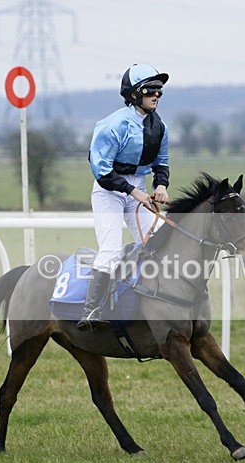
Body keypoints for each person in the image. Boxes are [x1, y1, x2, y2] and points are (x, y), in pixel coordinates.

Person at [77, 63, 171, 330]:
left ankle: (156, 304)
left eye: (159, 91)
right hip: (109, 191)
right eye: (150, 90)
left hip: (138, 188)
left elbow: (161, 162)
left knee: (160, 241)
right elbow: (102, 172)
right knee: (111, 251)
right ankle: (91, 310)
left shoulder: (159, 127)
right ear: (134, 94)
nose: (156, 95)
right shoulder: (112, 125)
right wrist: (134, 192)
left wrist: (161, 185)